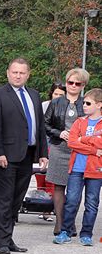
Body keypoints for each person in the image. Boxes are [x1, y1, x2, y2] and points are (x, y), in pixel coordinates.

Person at [0, 58, 49, 254]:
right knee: (4, 200)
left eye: (22, 73)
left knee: (17, 199)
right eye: (14, 72)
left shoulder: (34, 95)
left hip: (28, 154)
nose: (18, 75)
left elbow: (40, 127)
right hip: (7, 156)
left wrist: (42, 153)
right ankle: (1, 242)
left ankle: (9, 237)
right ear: (7, 73)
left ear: (28, 75)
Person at [54, 88, 102, 245]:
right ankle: (65, 232)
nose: (84, 106)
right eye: (84, 103)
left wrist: (83, 139)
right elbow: (72, 142)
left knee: (92, 203)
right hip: (76, 168)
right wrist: (94, 149)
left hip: (95, 170)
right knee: (72, 201)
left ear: (99, 105)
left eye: (88, 103)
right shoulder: (79, 122)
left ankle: (86, 234)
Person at [44, 69, 88, 236]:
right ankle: (60, 222)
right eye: (71, 82)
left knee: (75, 188)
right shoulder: (56, 103)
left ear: (83, 85)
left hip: (79, 150)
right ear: (66, 83)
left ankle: (70, 223)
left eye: (78, 83)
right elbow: (46, 124)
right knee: (59, 186)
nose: (74, 86)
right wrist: (59, 133)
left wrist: (81, 138)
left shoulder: (86, 103)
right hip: (58, 147)